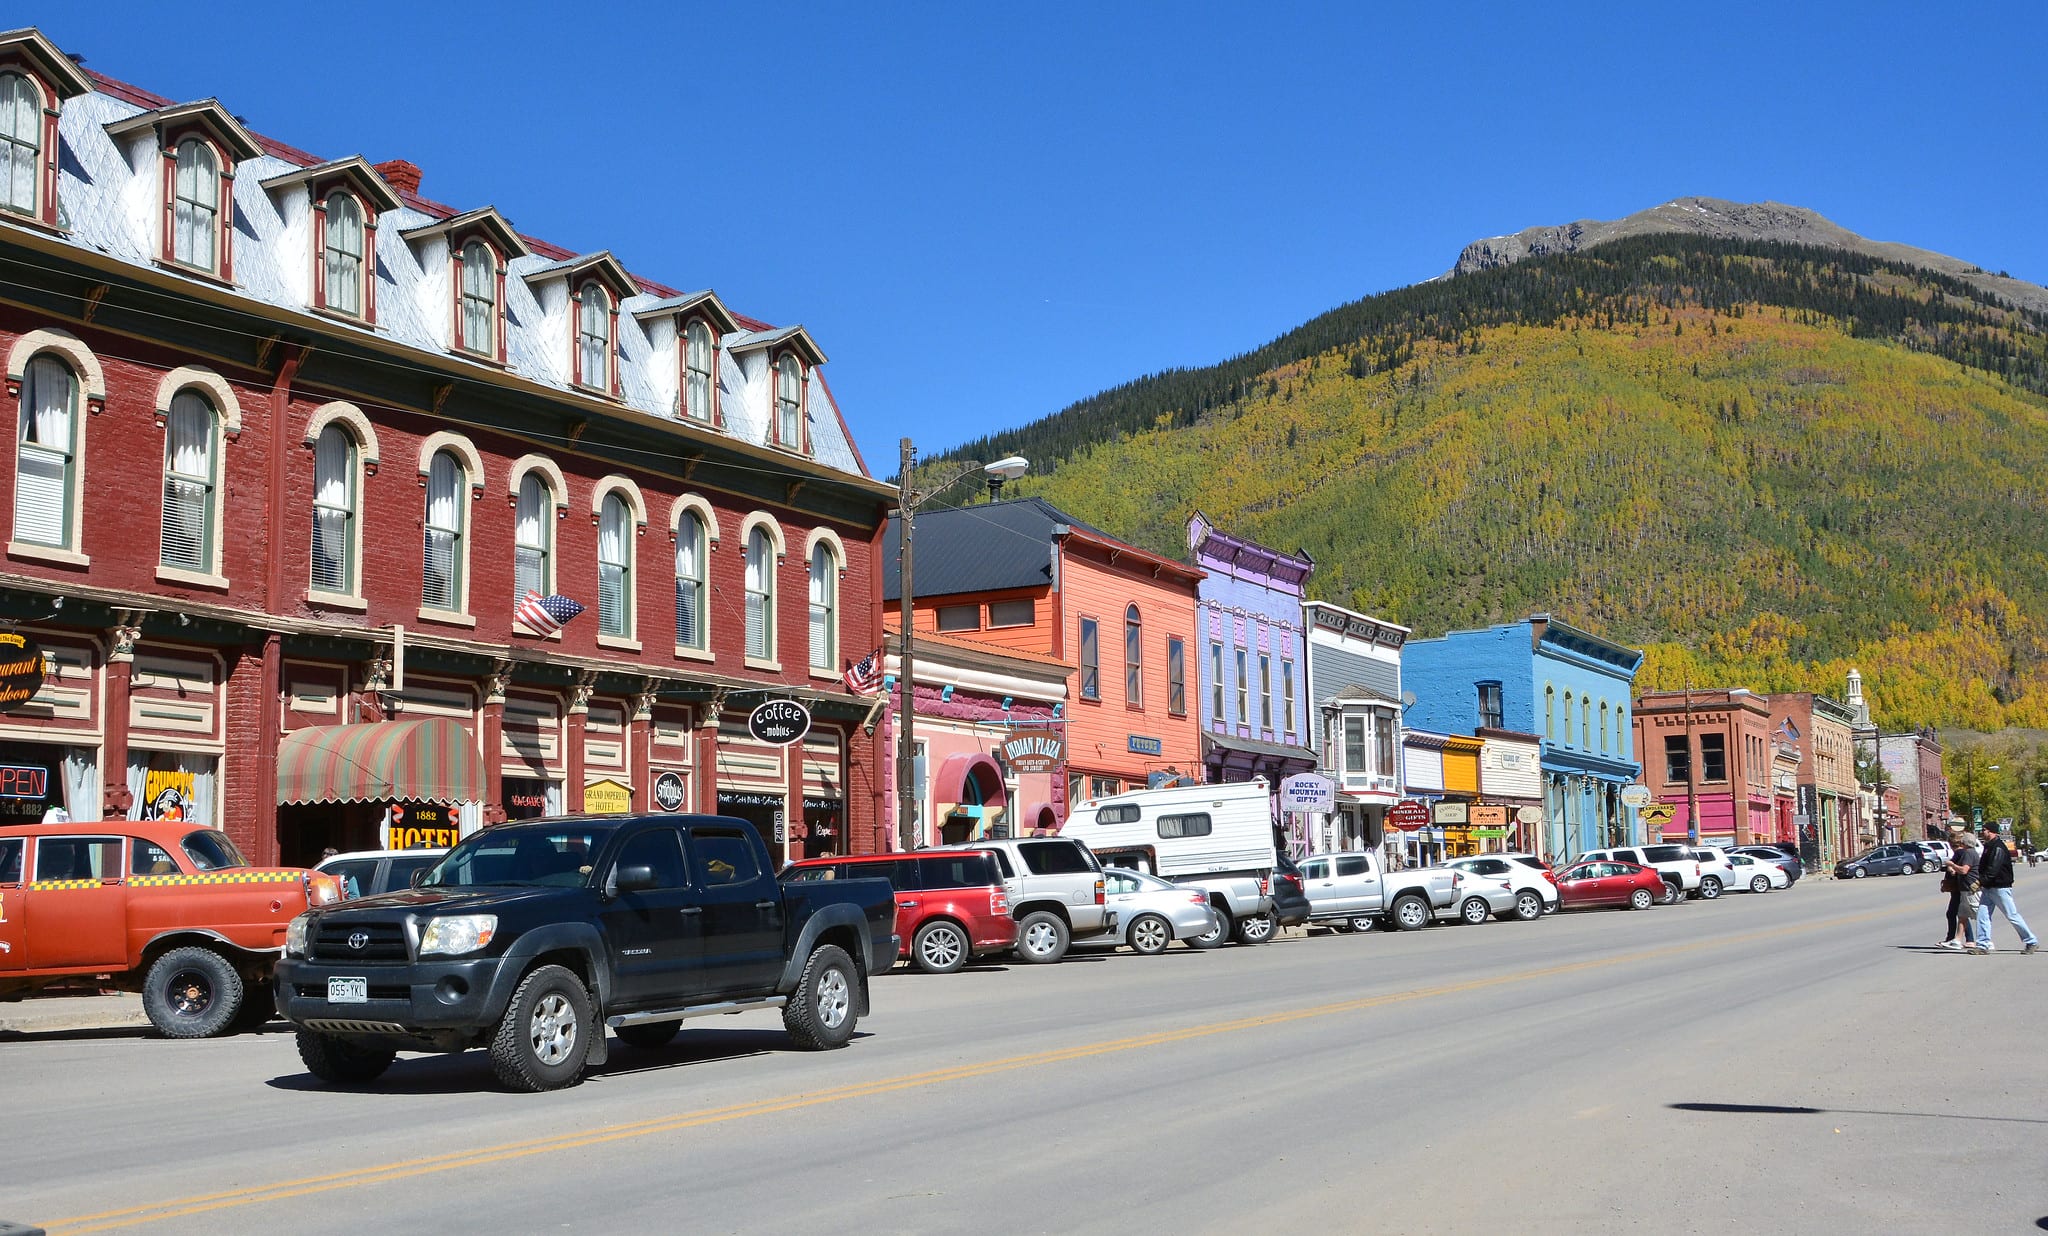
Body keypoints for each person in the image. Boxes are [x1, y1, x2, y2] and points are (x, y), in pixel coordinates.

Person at [1971, 820, 2038, 954]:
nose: (1982, 832)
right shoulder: (1989, 846)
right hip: (1989, 888)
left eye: (1984, 830)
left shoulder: (1998, 847)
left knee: (2012, 915)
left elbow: (1993, 869)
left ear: (1991, 831)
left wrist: (1980, 882)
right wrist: (1983, 883)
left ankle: (2031, 941)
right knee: (1983, 916)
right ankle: (1983, 945)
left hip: (2000, 887)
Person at [1939, 827, 1980, 952]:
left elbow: (1963, 870)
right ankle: (1960, 940)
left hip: (1965, 888)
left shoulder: (1965, 853)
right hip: (1962, 888)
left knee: (1973, 914)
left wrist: (1951, 866)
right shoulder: (1967, 853)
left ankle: (1979, 940)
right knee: (1962, 915)